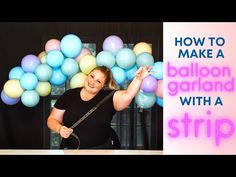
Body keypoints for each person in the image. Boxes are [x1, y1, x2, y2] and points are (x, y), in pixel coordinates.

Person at [47, 65, 152, 149]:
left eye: (98, 81)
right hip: (71, 150)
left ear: (103, 85)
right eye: (92, 76)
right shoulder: (69, 95)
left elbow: (128, 95)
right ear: (87, 75)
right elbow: (52, 119)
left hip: (101, 149)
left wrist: (138, 78)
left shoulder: (109, 97)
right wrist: (59, 128)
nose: (92, 82)